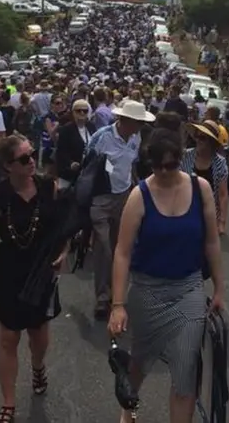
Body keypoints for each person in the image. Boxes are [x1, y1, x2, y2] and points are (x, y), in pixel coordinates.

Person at [108, 129, 225, 423]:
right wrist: (118, 305)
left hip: (188, 290)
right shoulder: (140, 195)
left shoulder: (201, 190)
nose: (163, 172)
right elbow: (122, 252)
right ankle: (128, 409)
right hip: (147, 291)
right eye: (157, 166)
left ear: (181, 160)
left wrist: (220, 287)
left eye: (170, 165)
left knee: (186, 372)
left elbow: (211, 241)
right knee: (139, 364)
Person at [0, 135, 68, 423]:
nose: (32, 160)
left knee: (38, 333)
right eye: (24, 158)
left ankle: (38, 366)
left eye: (32, 154)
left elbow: (64, 227)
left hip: (42, 271)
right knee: (8, 337)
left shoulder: (50, 187)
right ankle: (8, 404)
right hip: (10, 272)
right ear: (8, 166)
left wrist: (64, 252)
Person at [86, 100, 154, 320]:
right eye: (137, 122)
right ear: (125, 121)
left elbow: (132, 164)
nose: (140, 126)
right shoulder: (101, 137)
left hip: (124, 197)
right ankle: (102, 298)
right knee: (104, 248)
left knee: (119, 249)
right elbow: (87, 165)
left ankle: (115, 296)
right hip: (101, 198)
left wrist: (136, 187)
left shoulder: (136, 138)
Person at [181, 120, 229, 235]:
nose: (198, 140)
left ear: (212, 142)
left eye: (202, 138)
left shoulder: (220, 163)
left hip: (208, 215)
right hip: (183, 211)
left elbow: (223, 194)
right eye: (197, 136)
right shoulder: (185, 156)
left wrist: (222, 222)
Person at [55, 99, 96, 188]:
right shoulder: (66, 130)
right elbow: (61, 152)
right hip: (70, 175)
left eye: (85, 111)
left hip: (88, 173)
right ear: (73, 112)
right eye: (78, 111)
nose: (82, 113)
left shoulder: (91, 126)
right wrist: (70, 163)